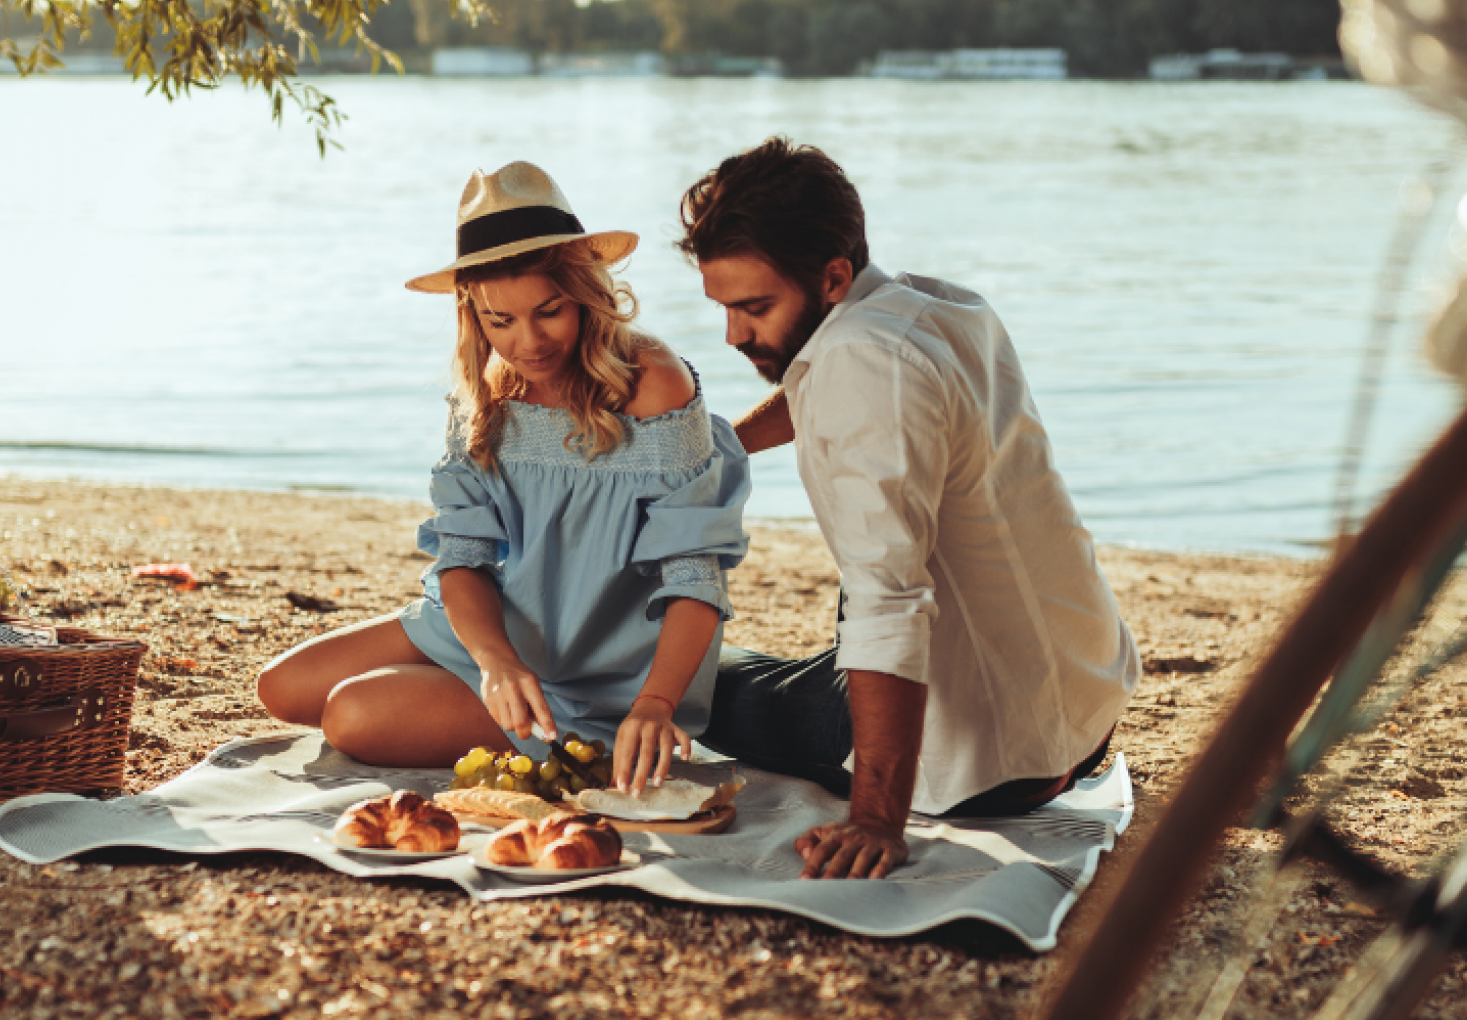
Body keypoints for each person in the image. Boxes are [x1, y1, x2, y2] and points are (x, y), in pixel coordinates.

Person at [677, 138, 1140, 880]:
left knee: (702, 683)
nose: (734, 335)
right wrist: (719, 445)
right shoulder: (930, 305)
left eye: (753, 308)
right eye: (725, 307)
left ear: (832, 277)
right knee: (874, 553)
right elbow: (811, 379)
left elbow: (890, 606)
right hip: (1076, 709)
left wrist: (875, 820)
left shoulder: (863, 368)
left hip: (994, 764)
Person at [258, 161, 750, 793]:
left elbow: (694, 571)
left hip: (598, 674)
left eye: (548, 311)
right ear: (473, 314)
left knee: (350, 713)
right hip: (491, 633)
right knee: (281, 687)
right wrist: (493, 660)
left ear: (585, 294)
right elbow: (462, 556)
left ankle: (543, 715)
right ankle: (479, 686)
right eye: (501, 321)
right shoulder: (483, 391)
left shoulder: (653, 382)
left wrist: (656, 701)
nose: (528, 342)